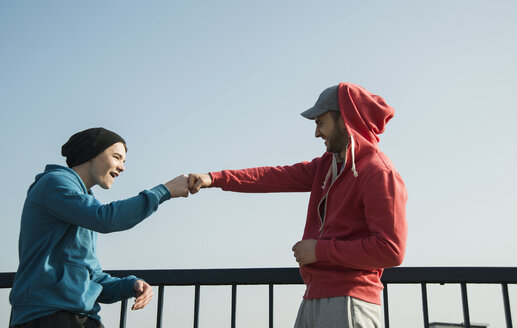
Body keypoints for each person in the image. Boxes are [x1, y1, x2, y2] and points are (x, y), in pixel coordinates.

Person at [188, 83, 408, 328]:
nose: (317, 133)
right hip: (314, 299)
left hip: (350, 302)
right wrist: (214, 178)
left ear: (344, 119)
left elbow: (391, 250)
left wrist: (320, 251)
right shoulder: (325, 166)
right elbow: (273, 176)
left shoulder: (379, 173)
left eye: (320, 122)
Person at [9, 127, 189, 328]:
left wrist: (131, 285)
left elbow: (92, 277)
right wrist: (164, 192)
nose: (122, 167)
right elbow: (105, 218)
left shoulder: (83, 202)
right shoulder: (55, 184)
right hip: (48, 315)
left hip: (83, 317)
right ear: (93, 153)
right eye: (117, 157)